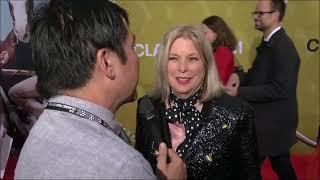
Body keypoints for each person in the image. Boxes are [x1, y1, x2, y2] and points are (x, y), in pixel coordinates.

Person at [15, 0, 187, 179]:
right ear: (107, 62)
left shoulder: (40, 131)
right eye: (132, 47)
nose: (137, 58)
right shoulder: (124, 168)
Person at [135, 25, 261, 180]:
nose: (182, 68)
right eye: (173, 58)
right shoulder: (147, 106)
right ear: (163, 64)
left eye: (192, 59)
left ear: (207, 65)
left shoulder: (237, 114)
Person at [224, 0, 300, 179]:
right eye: (255, 13)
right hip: (268, 123)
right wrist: (238, 77)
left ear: (275, 15)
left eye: (260, 13)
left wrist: (239, 92)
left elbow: (280, 89)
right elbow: (256, 74)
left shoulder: (284, 47)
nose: (256, 17)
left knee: (253, 167)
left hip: (273, 125)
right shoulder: (269, 43)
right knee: (278, 165)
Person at [201, 15, 238, 85]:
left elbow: (218, 81)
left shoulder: (223, 52)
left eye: (205, 33)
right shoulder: (215, 51)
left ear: (216, 33)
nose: (202, 36)